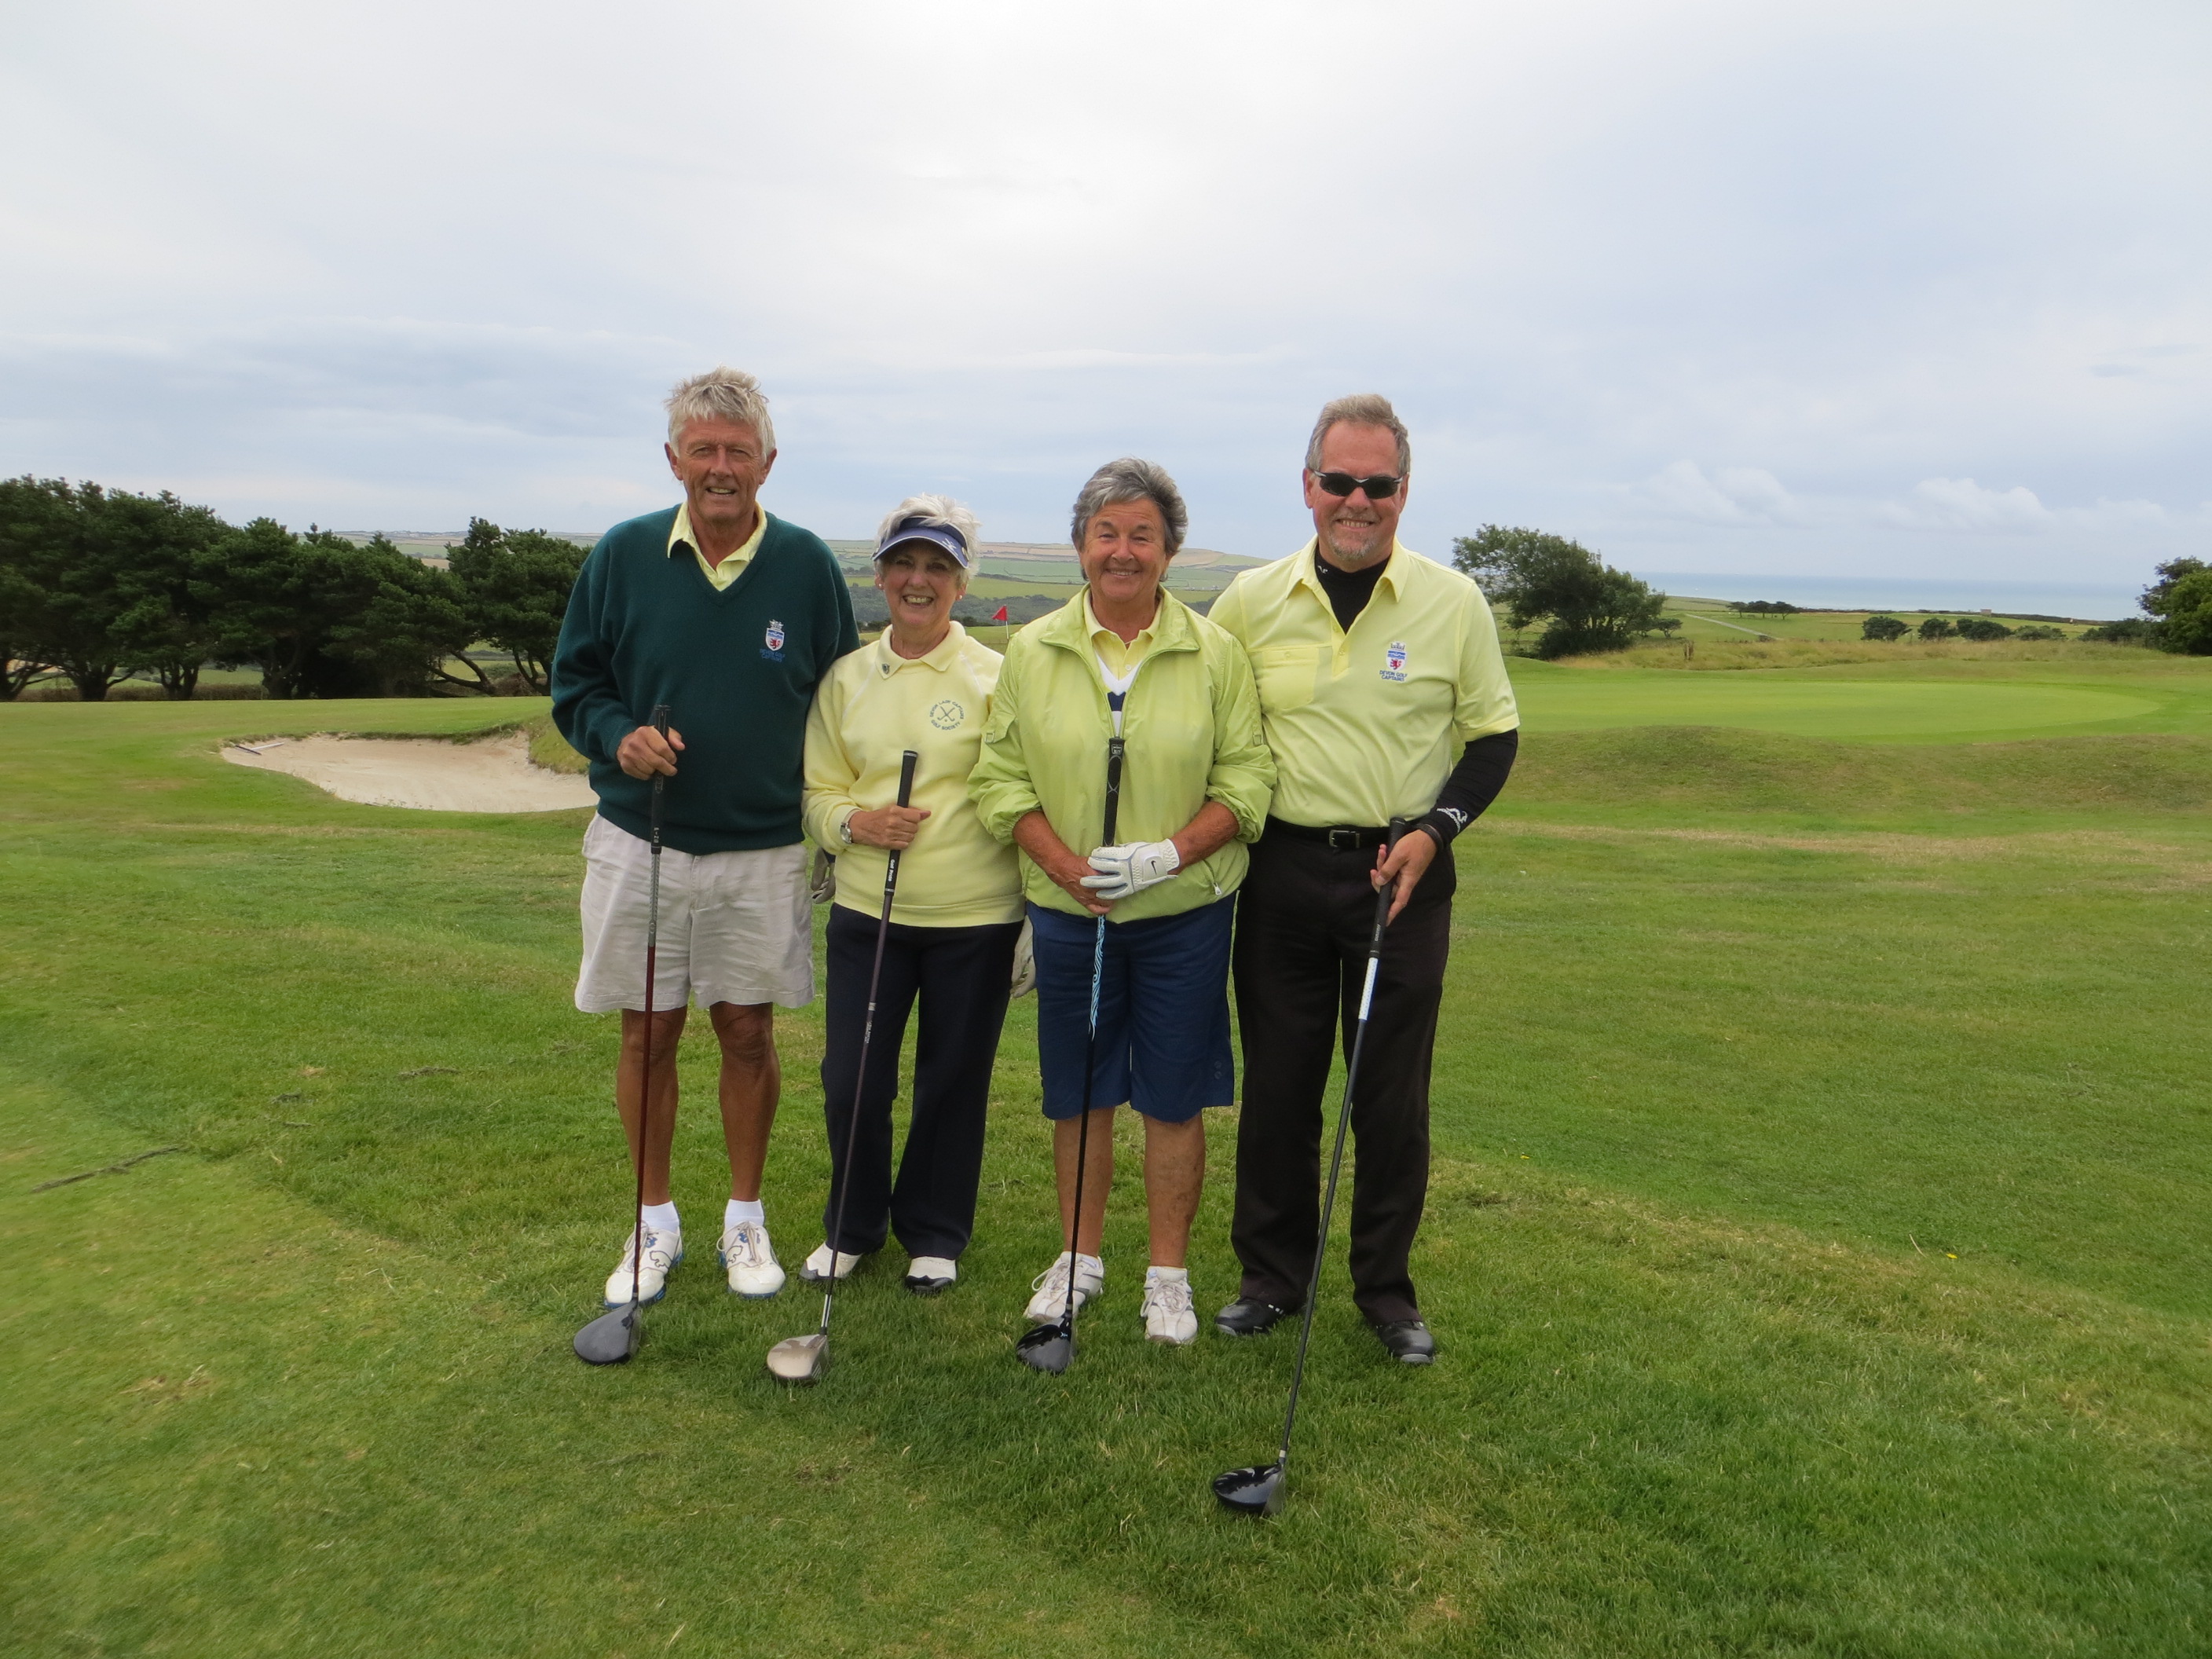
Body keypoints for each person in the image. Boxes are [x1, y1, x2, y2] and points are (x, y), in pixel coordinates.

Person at [1207, 394, 1520, 1364]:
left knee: (1387, 1098)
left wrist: (1436, 831)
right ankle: (1270, 1278)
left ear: (1402, 491)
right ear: (1307, 488)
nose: (1357, 500)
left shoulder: (1450, 601)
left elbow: (1492, 736)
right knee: (1280, 1089)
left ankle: (1385, 1292)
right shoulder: (1249, 602)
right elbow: (1209, 732)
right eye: (1338, 482)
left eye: (1376, 485)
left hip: (1404, 878)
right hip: (1280, 875)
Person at [551, 367, 859, 1309]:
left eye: (737, 451)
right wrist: (617, 736)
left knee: (748, 1032)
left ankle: (743, 1216)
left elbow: (842, 698)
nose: (720, 468)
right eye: (703, 451)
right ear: (674, 458)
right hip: (639, 839)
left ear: (766, 462)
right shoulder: (622, 554)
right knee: (647, 1033)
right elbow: (576, 686)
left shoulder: (805, 565)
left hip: (761, 847)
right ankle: (653, 1221)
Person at [969, 458, 1274, 1346]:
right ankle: (1078, 1257)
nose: (1123, 551)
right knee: (1081, 1092)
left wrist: (1167, 855)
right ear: (1078, 547)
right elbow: (999, 779)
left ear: (1169, 550)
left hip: (1183, 914)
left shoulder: (1212, 651)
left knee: (1172, 1097)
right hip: (1070, 912)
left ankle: (1167, 1275)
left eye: (1142, 534)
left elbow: (1247, 781)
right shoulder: (1033, 648)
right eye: (1106, 533)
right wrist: (1064, 866)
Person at [800, 495, 1024, 1295]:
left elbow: (1022, 792)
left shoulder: (998, 677)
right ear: (881, 574)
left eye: (937, 567)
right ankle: (851, 1225)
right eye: (905, 564)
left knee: (951, 1079)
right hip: (870, 914)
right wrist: (856, 821)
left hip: (976, 918)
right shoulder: (847, 679)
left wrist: (1032, 912)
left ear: (960, 583)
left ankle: (933, 1231)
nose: (918, 581)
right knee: (851, 1077)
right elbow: (817, 795)